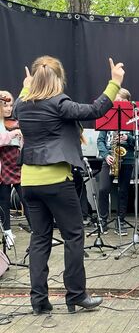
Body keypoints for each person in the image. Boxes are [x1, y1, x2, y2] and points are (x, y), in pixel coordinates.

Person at [13, 55, 124, 315]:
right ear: (59, 78)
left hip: (28, 182)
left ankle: (39, 300)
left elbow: (24, 98)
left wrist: (26, 85)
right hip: (56, 181)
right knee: (73, 236)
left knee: (39, 239)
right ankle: (76, 295)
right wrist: (114, 82)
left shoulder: (21, 105)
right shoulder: (59, 103)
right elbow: (95, 110)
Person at [97, 88, 139, 235]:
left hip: (127, 159)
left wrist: (127, 138)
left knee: (123, 191)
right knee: (103, 189)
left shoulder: (132, 118)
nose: (119, 103)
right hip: (110, 158)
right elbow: (100, 141)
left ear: (128, 102)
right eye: (117, 100)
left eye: (123, 101)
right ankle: (102, 220)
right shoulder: (107, 115)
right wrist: (105, 155)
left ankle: (120, 221)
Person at [0, 90, 31, 246]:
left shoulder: (15, 123)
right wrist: (14, 134)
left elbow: (22, 144)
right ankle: (7, 233)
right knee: (3, 201)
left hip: (17, 165)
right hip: (3, 167)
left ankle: (36, 230)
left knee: (26, 199)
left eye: (11, 105)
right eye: (5, 105)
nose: (9, 108)